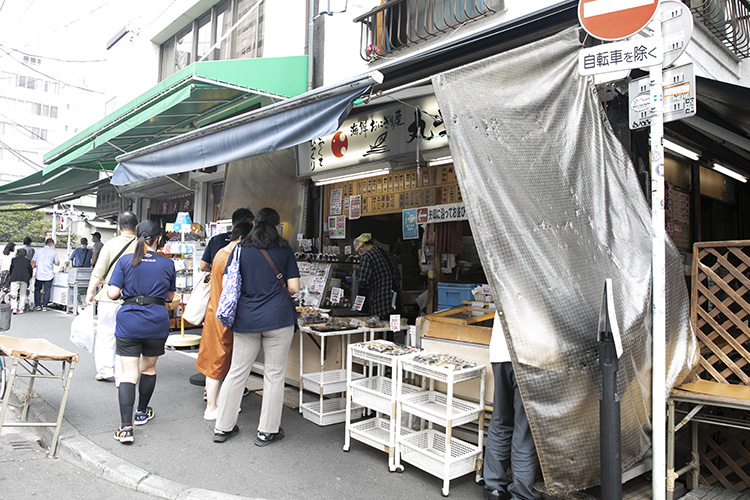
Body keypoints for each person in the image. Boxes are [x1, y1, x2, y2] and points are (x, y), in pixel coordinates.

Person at [213, 208, 300, 446]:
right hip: (278, 319)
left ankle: (223, 427)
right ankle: (267, 431)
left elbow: (230, 282)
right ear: (277, 226)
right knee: (274, 375)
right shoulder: (284, 249)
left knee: (237, 372)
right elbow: (293, 287)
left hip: (246, 320)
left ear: (254, 224)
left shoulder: (240, 250)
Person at [106, 219, 176, 444]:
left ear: (138, 236)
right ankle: (142, 412)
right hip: (156, 321)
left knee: (128, 374)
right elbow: (169, 297)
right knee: (148, 368)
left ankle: (125, 428)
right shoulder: (167, 264)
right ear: (158, 239)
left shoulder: (126, 261)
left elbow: (112, 293)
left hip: (129, 321)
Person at [482, 312, 542, 500]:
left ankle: (494, 487)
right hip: (530, 354)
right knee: (524, 428)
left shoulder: (505, 280)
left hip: (501, 350)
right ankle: (522, 493)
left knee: (501, 419)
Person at [196, 222, 251, 421]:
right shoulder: (232, 258)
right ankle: (212, 407)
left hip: (215, 314)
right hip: (225, 317)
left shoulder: (219, 254)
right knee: (219, 363)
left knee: (218, 362)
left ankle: (219, 404)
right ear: (241, 239)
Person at [86, 212, 138, 382]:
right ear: (136, 227)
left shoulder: (109, 245)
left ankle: (105, 369)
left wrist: (89, 292)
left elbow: (98, 272)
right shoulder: (141, 246)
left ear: (118, 227)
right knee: (127, 337)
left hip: (109, 296)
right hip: (133, 299)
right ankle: (122, 373)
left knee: (105, 333)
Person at [353, 233, 402, 320]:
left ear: (363, 245)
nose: (359, 253)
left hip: (381, 300)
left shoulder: (367, 256)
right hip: (396, 298)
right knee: (392, 328)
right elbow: (398, 275)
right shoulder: (387, 254)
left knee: (380, 328)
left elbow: (363, 280)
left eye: (359, 250)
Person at [31, 239, 59, 311]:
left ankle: (37, 305)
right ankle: (44, 306)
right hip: (49, 275)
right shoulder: (53, 252)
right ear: (51, 244)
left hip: (39, 274)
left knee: (37, 289)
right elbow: (57, 263)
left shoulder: (38, 251)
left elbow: (33, 261)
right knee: (47, 290)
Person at [8, 248, 32, 314]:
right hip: (24, 278)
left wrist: (11, 276)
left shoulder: (14, 260)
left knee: (13, 293)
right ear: (25, 254)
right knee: (23, 294)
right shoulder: (27, 261)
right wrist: (29, 277)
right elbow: (30, 270)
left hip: (15, 277)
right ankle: (21, 309)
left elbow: (11, 269)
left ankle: (14, 308)